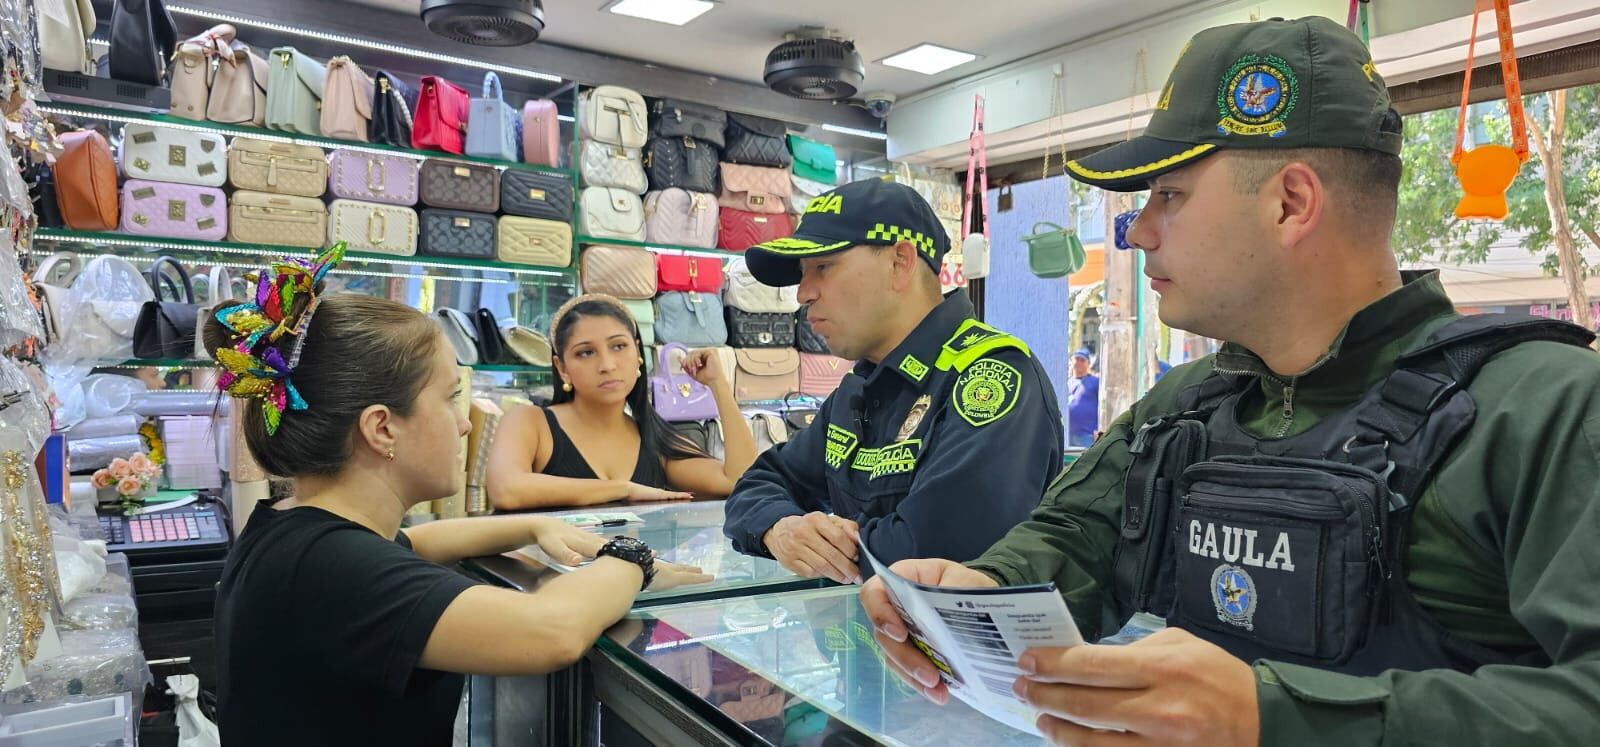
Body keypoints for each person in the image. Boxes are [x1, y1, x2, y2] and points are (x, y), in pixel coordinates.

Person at [861, 16, 1600, 746]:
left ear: (1292, 203)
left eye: (1169, 195)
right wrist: (978, 595)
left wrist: (1271, 716)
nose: (1138, 229)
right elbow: (1076, 537)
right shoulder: (1181, 408)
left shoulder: (1544, 409)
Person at [209, 247, 712, 746]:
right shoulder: (332, 567)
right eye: (451, 398)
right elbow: (553, 631)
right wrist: (630, 560)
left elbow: (421, 541)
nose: (465, 422)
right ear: (382, 428)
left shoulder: (294, 527)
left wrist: (533, 526)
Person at [723, 179, 1064, 584]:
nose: (803, 293)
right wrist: (780, 529)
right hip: (867, 638)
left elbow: (928, 555)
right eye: (803, 273)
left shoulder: (991, 377)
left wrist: (823, 547)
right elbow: (760, 483)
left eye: (823, 267)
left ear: (900, 262)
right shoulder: (860, 388)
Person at [485, 294, 757, 510]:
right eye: (586, 352)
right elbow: (506, 490)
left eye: (618, 346)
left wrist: (718, 384)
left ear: (638, 353)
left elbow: (737, 480)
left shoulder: (654, 439)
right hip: (550, 579)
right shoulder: (530, 423)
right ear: (562, 367)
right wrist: (623, 489)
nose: (607, 365)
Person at [1065, 348, 1099, 447]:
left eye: (1082, 360)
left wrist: (1099, 428)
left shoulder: (1095, 382)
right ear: (1071, 361)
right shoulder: (1067, 383)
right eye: (1077, 359)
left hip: (1087, 435)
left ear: (1088, 364)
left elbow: (1104, 406)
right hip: (1068, 435)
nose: (1079, 362)